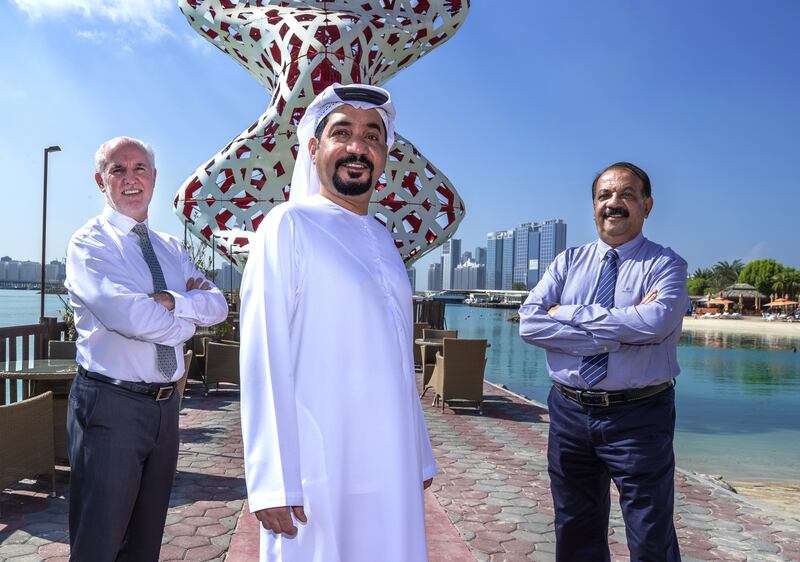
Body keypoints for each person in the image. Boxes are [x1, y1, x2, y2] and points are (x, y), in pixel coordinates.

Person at [239, 83, 437, 562]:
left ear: (385, 153)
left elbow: (395, 354)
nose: (357, 147)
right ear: (314, 148)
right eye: (342, 133)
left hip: (389, 463)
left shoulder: (383, 240)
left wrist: (419, 450)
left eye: (372, 135)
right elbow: (264, 354)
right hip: (316, 467)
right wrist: (271, 482)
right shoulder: (288, 225)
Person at [65, 136, 228, 561]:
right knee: (99, 542)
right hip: (109, 406)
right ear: (101, 181)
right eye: (117, 170)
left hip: (165, 407)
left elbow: (218, 305)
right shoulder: (89, 245)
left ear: (154, 178)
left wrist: (174, 302)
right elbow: (132, 318)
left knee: (145, 542)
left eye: (139, 168)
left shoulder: (171, 249)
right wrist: (187, 324)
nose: (130, 178)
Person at [518, 162, 688, 562]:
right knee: (575, 527)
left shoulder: (666, 265)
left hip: (640, 416)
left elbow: (656, 323)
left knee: (650, 534)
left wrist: (566, 312)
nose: (614, 204)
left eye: (627, 195)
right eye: (604, 196)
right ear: (593, 206)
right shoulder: (566, 262)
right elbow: (529, 322)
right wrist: (616, 336)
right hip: (568, 413)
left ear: (647, 205)